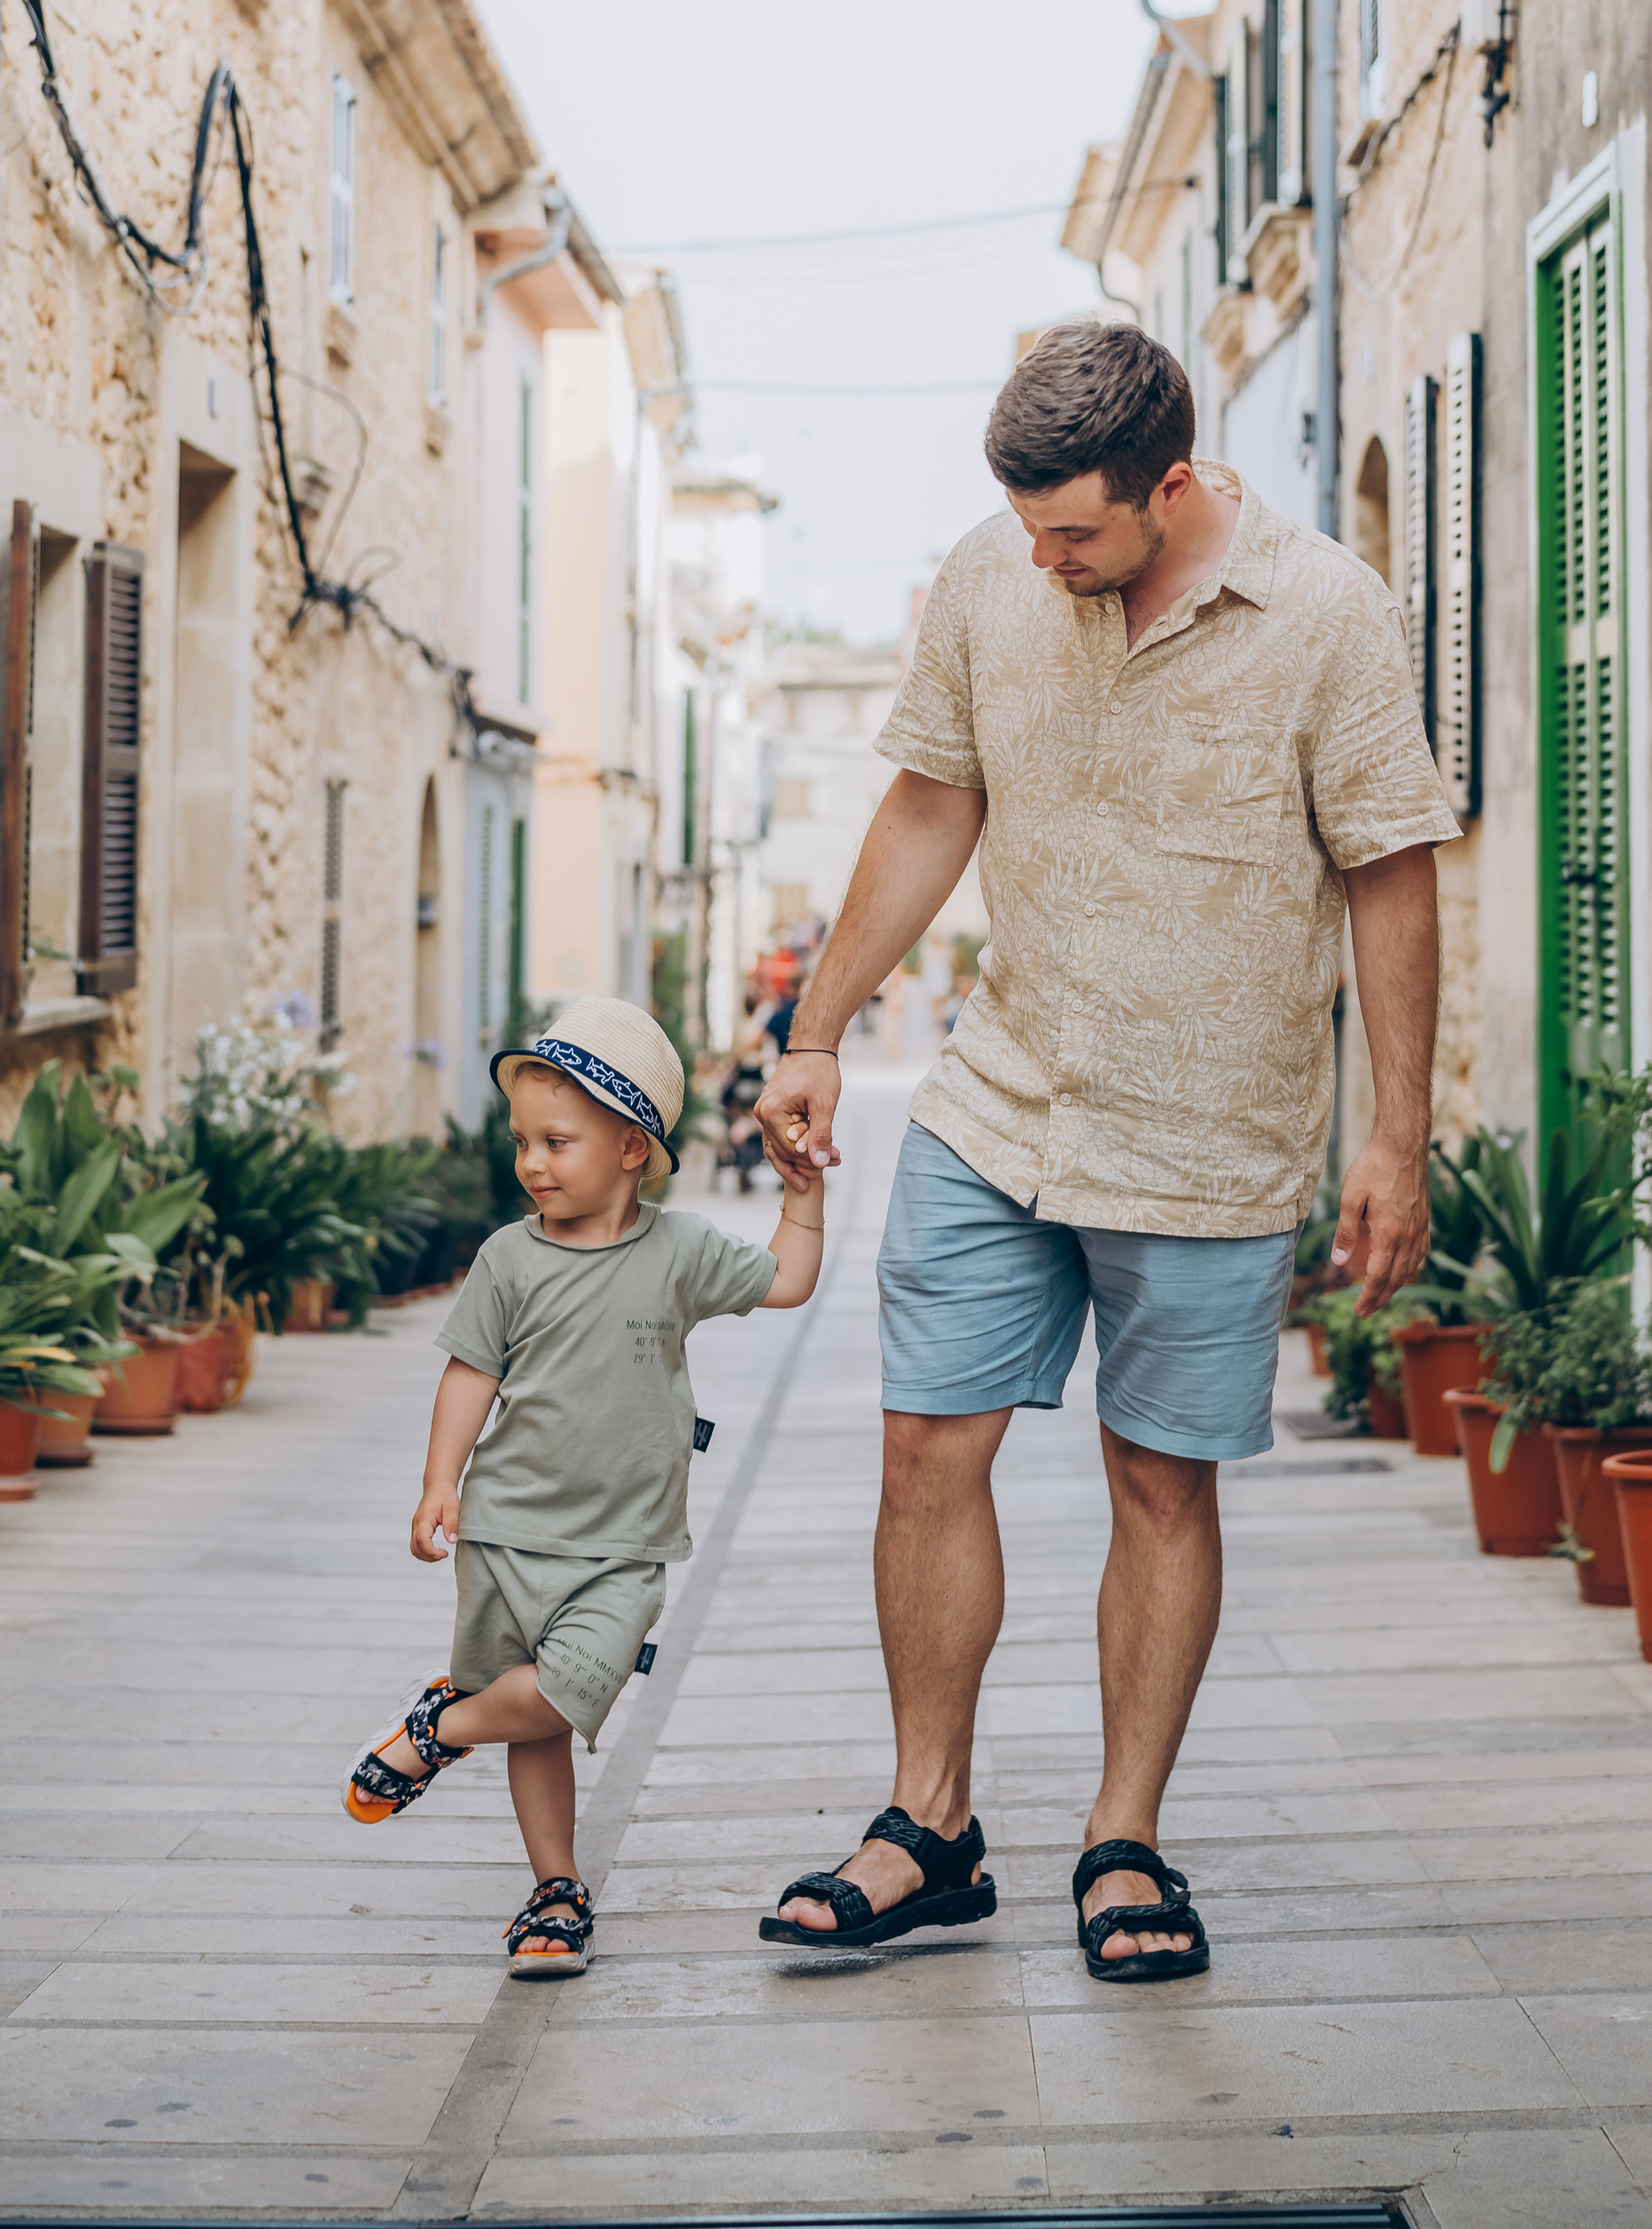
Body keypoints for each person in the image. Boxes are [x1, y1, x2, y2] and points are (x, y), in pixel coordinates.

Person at [756, 323, 1455, 1981]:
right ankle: (929, 1826)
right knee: (925, 1453)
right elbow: (933, 803)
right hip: (997, 1104)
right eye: (1024, 527)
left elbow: (1390, 873)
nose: (1043, 558)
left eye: (1075, 531)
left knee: (1158, 1481)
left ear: (1172, 484)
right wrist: (815, 1025)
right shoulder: (995, 582)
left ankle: (1123, 1837)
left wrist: (1401, 1139)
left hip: (1211, 1135)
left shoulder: (1330, 615)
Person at [344, 994, 825, 1976]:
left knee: (559, 1696)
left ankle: (441, 1726)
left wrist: (801, 1191)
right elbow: (470, 1371)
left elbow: (785, 1281)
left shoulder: (680, 1252)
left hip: (623, 1544)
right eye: (522, 1141)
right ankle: (553, 1892)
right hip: (506, 1534)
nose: (530, 1163)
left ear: (630, 1148)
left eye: (555, 1141)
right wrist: (441, 1481)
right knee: (538, 1724)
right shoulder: (509, 1258)